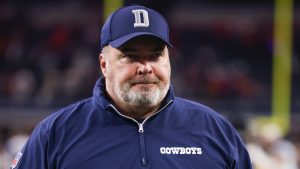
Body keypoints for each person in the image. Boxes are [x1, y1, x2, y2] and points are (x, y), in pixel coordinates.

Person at [11, 5, 253, 169]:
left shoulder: (215, 130)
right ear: (104, 65)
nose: (145, 67)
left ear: (168, 60)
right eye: (131, 56)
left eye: (156, 55)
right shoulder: (56, 134)